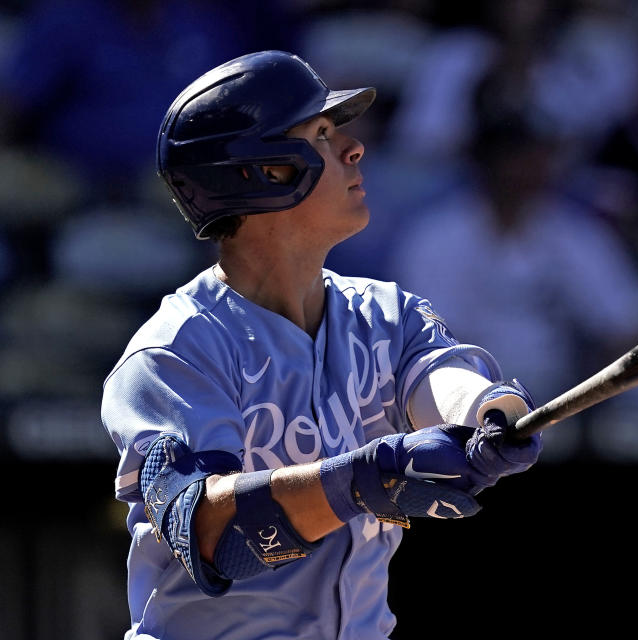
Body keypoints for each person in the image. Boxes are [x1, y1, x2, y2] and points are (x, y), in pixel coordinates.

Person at [100, 50, 542, 640]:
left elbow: (441, 381)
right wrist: (361, 480)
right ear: (266, 172)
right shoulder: (176, 351)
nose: (353, 149)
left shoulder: (384, 313)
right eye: (323, 135)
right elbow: (208, 533)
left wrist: (489, 415)